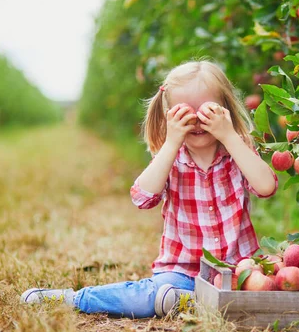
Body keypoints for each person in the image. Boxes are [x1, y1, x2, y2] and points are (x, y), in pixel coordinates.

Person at [21, 60, 278, 318]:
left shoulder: (238, 150)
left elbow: (266, 187)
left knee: (258, 299)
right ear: (170, 116)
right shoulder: (171, 157)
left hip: (239, 271)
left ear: (225, 111)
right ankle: (74, 299)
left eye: (207, 112)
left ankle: (190, 303)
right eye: (185, 114)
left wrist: (229, 135)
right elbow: (142, 198)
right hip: (181, 273)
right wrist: (171, 140)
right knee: (145, 298)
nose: (197, 122)